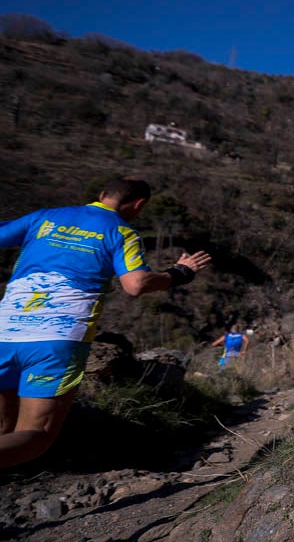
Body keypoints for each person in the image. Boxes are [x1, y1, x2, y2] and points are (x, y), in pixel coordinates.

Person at [0, 176, 212, 468]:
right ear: (138, 205)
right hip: (56, 339)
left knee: (3, 429)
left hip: (4, 331)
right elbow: (136, 284)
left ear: (101, 194)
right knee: (35, 434)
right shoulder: (121, 232)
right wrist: (180, 273)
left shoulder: (45, 217)